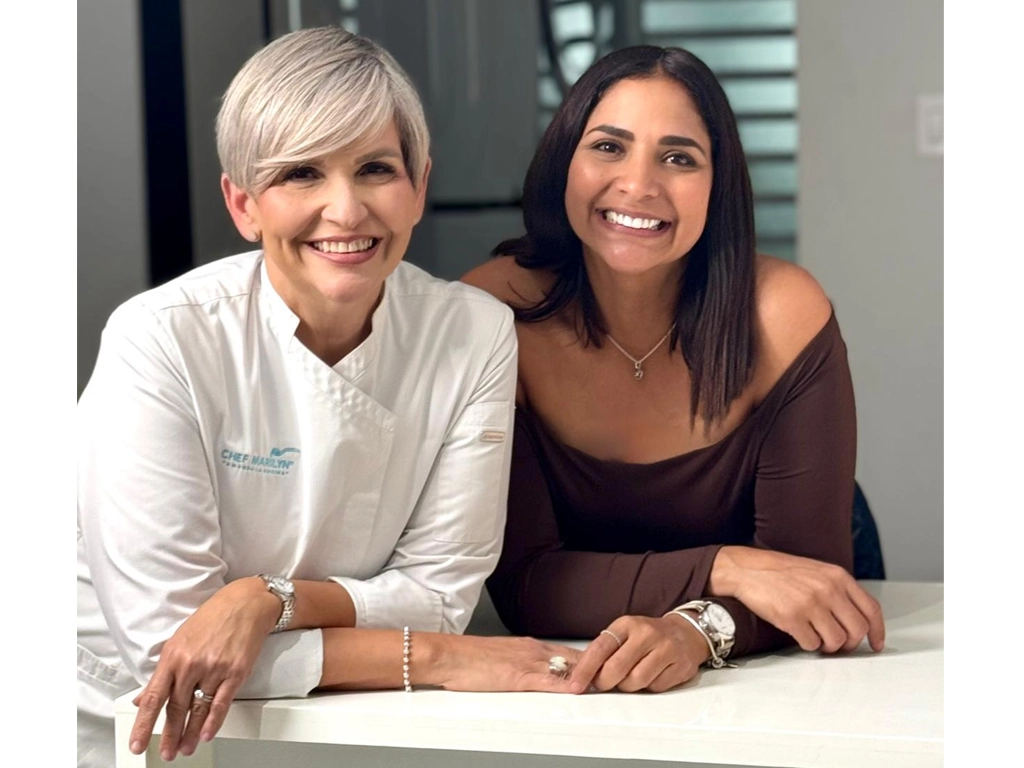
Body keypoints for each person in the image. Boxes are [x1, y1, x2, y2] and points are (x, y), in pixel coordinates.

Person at [77, 27, 581, 768]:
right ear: (244, 205)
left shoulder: (473, 333)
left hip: (350, 714)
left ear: (419, 187)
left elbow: (440, 598)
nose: (345, 212)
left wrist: (264, 600)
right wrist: (438, 659)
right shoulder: (161, 340)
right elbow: (173, 641)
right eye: (302, 174)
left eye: (375, 168)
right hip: (118, 717)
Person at [463, 44, 886, 695]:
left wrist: (697, 625)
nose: (639, 184)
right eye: (608, 146)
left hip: (771, 647)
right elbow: (528, 586)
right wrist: (729, 568)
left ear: (718, 185)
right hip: (626, 636)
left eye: (679, 157)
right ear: (563, 163)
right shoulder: (493, 315)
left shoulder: (784, 313)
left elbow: (807, 585)